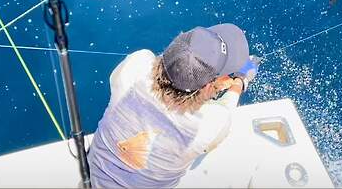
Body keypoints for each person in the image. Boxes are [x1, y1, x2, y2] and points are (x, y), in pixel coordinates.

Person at [88, 24, 258, 188]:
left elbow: (162, 66)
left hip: (92, 177)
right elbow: (226, 107)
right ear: (207, 87)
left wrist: (199, 75)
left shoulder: (135, 67)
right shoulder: (209, 125)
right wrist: (242, 80)